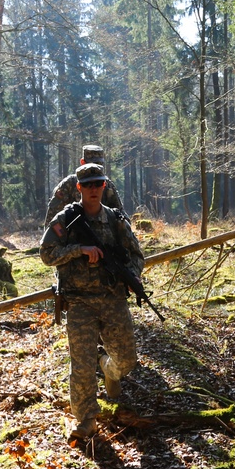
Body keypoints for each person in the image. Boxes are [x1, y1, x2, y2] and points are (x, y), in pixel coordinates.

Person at [40, 163, 145, 441]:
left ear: (104, 186)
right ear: (79, 188)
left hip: (112, 300)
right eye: (87, 185)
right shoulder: (67, 219)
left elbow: (136, 255)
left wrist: (132, 277)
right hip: (79, 302)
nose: (93, 190)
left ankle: (108, 366)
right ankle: (86, 419)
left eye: (98, 185)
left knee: (126, 361)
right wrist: (79, 250)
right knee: (81, 366)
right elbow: (47, 253)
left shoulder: (115, 220)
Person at [44, 144, 125, 226]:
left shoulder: (107, 186)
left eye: (99, 165)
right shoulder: (68, 185)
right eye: (92, 164)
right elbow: (50, 222)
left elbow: (122, 218)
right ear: (82, 162)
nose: (95, 169)